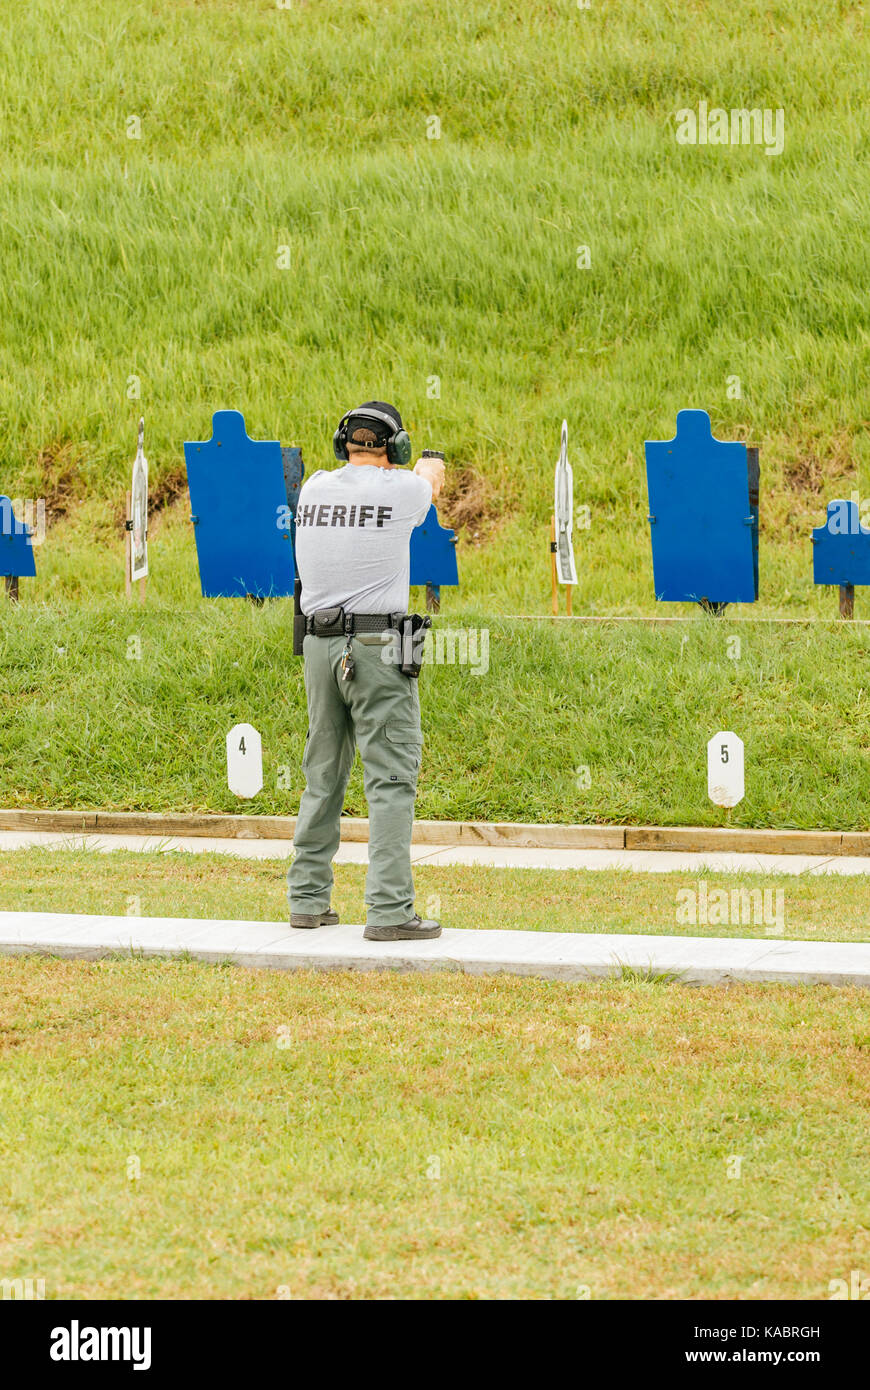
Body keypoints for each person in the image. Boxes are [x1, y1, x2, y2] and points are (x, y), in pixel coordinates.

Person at [287, 401, 445, 941]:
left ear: (343, 444)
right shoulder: (403, 490)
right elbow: (427, 485)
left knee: (323, 773)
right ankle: (390, 910)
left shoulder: (313, 488)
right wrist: (428, 465)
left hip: (318, 646)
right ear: (394, 449)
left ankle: (307, 899)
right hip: (378, 646)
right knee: (391, 777)